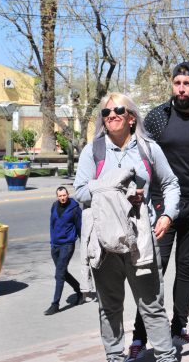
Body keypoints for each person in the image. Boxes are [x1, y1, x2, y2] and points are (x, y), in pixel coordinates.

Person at [73, 92, 181, 362]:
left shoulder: (148, 148)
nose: (111, 116)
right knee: (109, 307)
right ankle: (115, 357)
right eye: (106, 113)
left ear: (131, 117)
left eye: (118, 111)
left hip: (141, 240)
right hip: (104, 242)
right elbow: (80, 192)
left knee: (152, 306)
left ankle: (166, 357)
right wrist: (116, 190)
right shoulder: (93, 150)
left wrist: (168, 215)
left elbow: (170, 184)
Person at [127, 62, 189, 359]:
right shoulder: (158, 116)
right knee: (154, 271)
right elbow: (141, 155)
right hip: (162, 204)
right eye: (177, 82)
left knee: (187, 268)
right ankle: (140, 334)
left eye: (187, 83)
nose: (181, 88)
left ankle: (179, 324)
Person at [44, 186, 83, 315]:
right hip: (55, 245)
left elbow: (79, 226)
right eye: (60, 196)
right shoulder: (54, 206)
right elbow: (52, 224)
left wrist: (83, 242)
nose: (62, 198)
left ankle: (55, 304)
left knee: (59, 274)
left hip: (67, 245)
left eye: (64, 195)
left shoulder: (75, 208)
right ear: (57, 196)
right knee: (63, 272)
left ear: (68, 194)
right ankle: (79, 290)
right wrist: (52, 242)